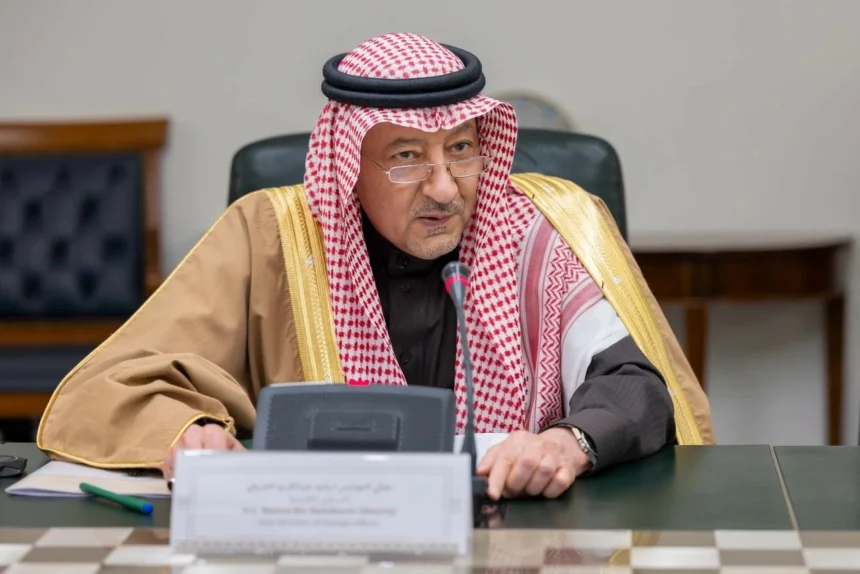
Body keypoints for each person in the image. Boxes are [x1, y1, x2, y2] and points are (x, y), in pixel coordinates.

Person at [37, 33, 713, 500]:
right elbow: (112, 385)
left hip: (524, 534)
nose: (446, 189)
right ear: (348, 165)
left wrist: (569, 443)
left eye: (461, 150)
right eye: (406, 157)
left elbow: (634, 384)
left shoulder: (540, 226)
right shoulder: (269, 236)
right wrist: (189, 434)